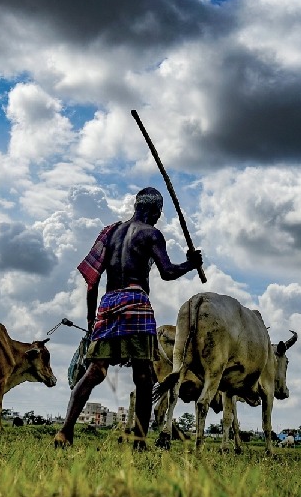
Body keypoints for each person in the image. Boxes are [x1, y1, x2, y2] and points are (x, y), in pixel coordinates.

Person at [54, 187, 203, 449]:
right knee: (144, 376)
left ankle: (65, 432)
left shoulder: (111, 233)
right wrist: (190, 264)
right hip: (136, 304)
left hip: (109, 303)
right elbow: (167, 272)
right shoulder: (152, 234)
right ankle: (140, 442)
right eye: (158, 213)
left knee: (94, 371)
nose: (158, 218)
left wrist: (92, 318)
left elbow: (92, 280)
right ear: (152, 210)